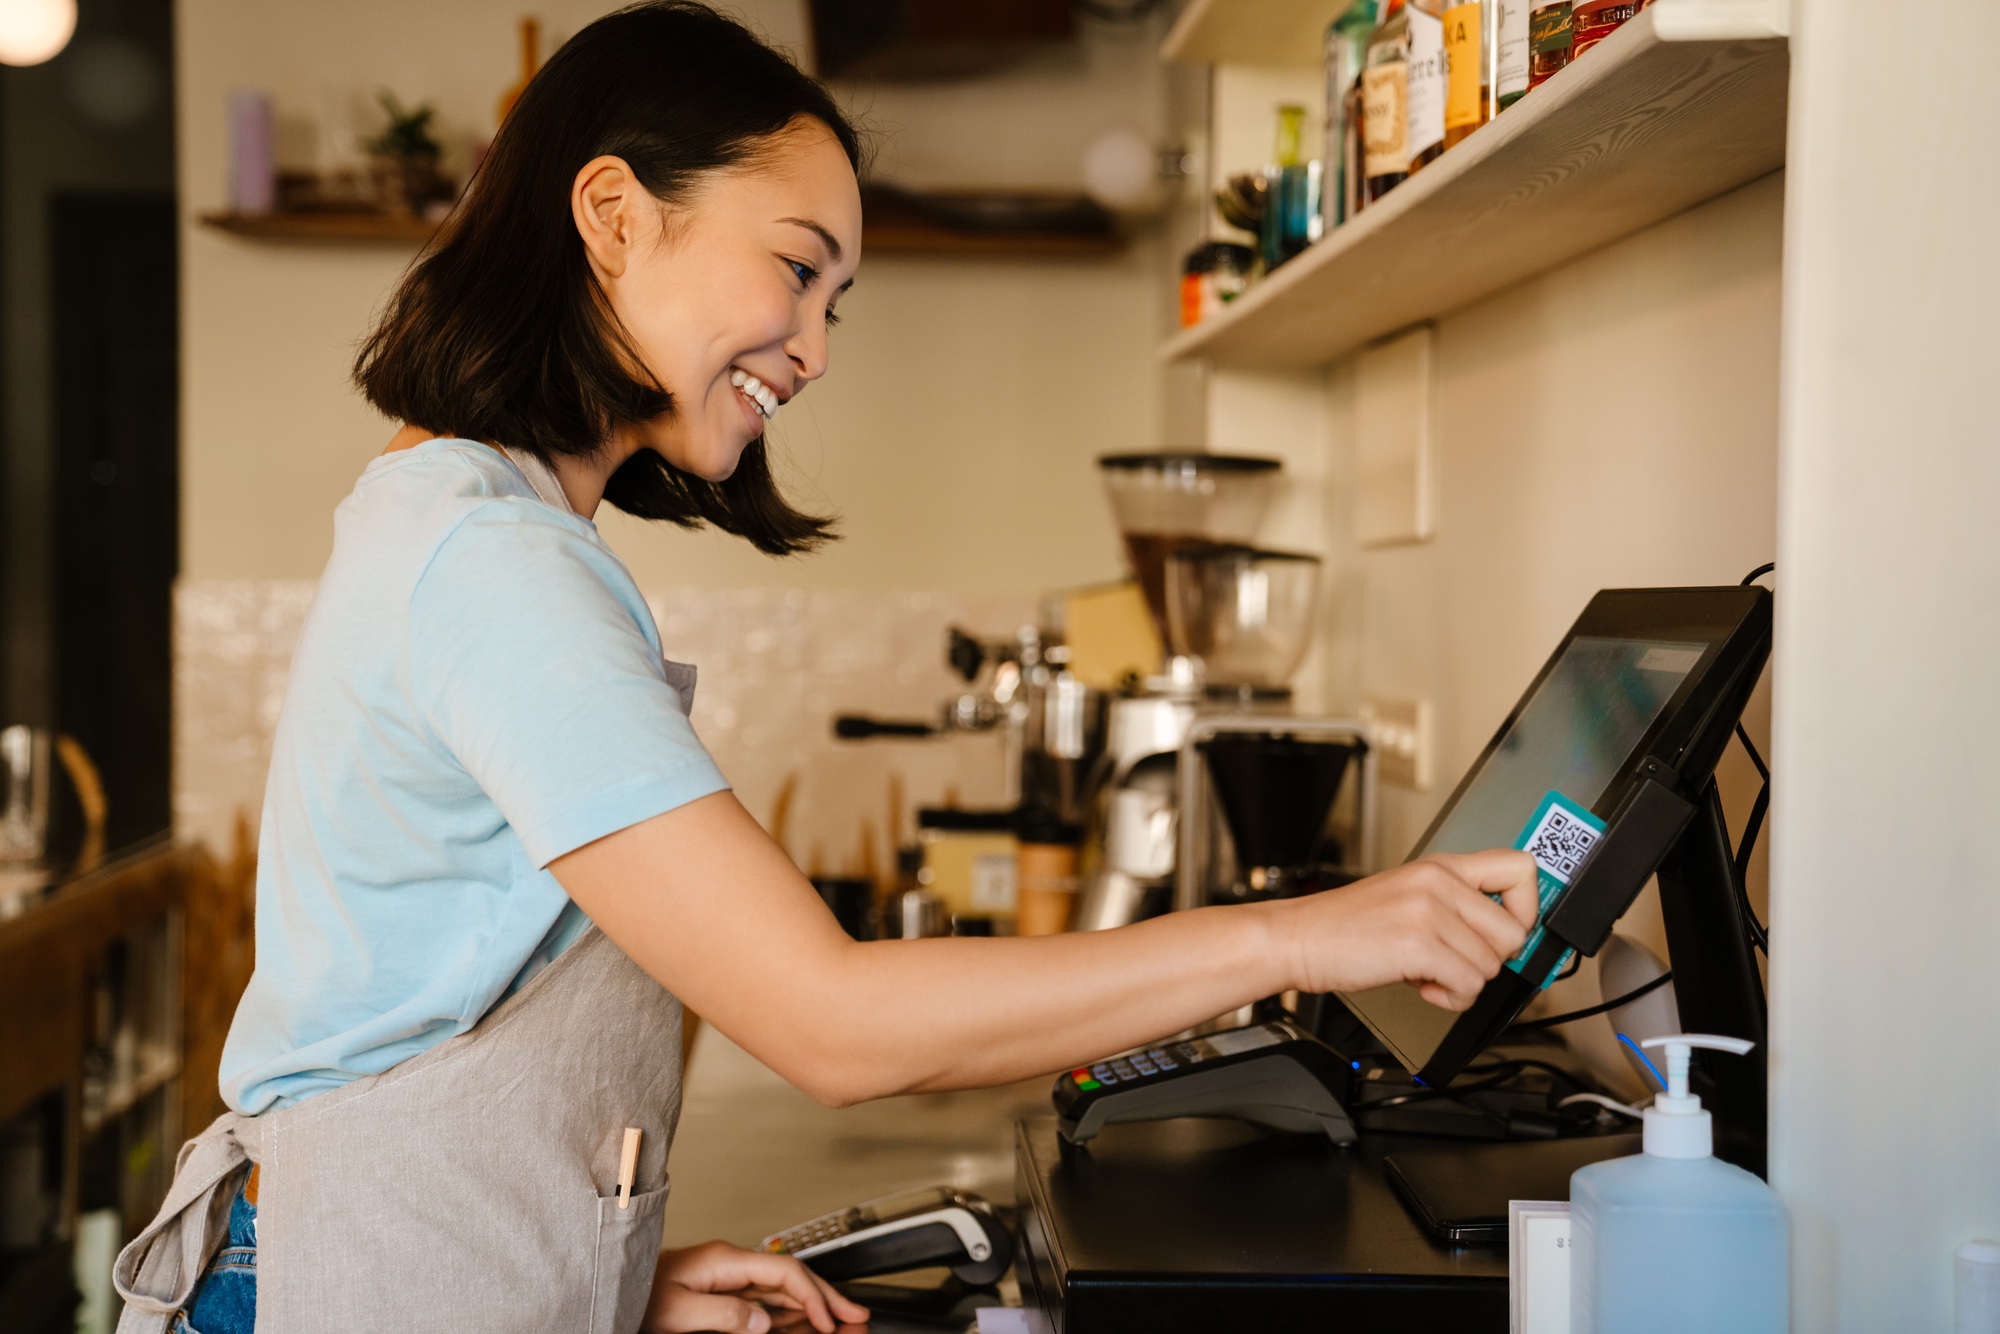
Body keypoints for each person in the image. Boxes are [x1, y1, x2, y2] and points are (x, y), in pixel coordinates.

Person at [114, 6, 1540, 1333]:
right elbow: (833, 1024)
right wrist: (1298, 936)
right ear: (614, 215)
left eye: (835, 303)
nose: (811, 347)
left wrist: (590, 1264)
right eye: (798, 268)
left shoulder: (458, 518)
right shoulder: (496, 565)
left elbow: (420, 1015)